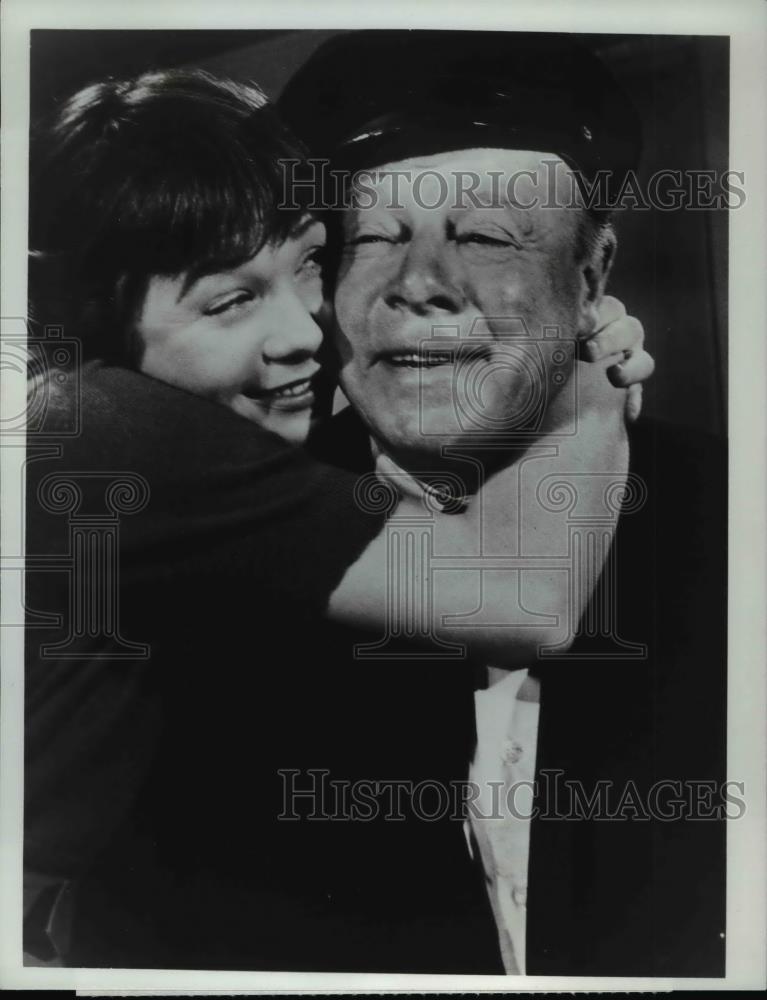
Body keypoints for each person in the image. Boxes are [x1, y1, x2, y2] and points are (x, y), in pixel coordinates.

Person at [23, 68, 651, 971]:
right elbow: (525, 597)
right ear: (86, 315)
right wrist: (584, 378)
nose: (307, 331)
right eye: (230, 299)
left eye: (312, 261)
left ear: (592, 269)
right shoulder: (114, 433)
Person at [278, 30, 727, 977]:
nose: (420, 286)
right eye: (372, 239)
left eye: (485, 237)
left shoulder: (735, 525)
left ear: (592, 274)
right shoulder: (232, 544)